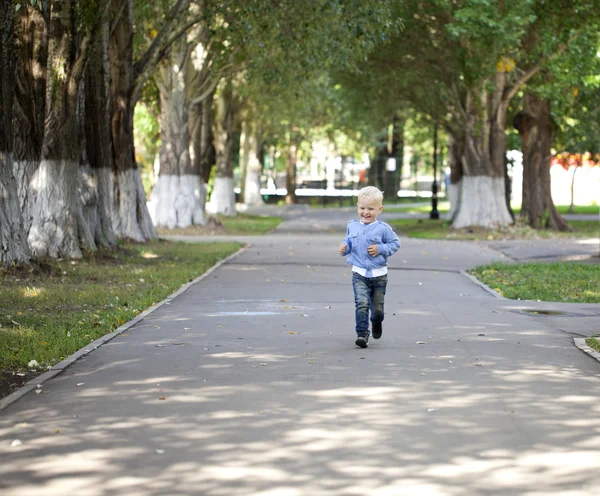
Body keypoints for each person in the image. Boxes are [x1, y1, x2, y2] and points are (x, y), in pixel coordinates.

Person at [338, 186, 400, 348]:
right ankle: (362, 334)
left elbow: (395, 244)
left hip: (379, 275)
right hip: (359, 273)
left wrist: (380, 249)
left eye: (370, 209)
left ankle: (376, 321)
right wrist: (344, 248)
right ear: (357, 206)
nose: (366, 212)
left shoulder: (383, 228)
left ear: (379, 209)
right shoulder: (352, 226)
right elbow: (349, 243)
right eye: (362, 208)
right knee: (362, 304)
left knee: (377, 309)